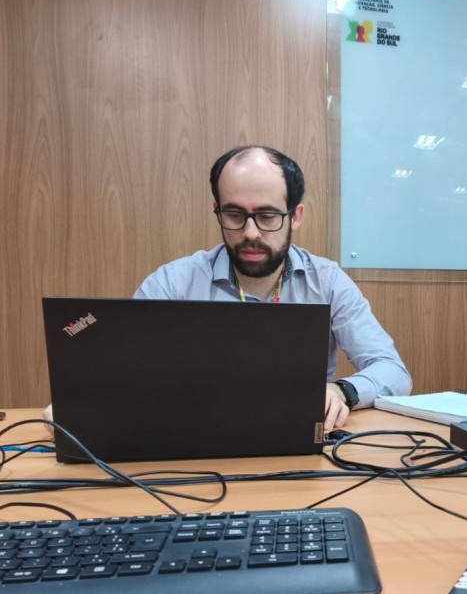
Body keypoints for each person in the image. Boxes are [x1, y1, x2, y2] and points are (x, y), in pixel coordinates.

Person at [61, 145, 411, 430]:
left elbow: (392, 370)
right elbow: (119, 372)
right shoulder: (172, 283)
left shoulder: (328, 281)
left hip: (301, 444)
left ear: (296, 216)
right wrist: (83, 405)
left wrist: (342, 391)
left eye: (268, 216)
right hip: (194, 444)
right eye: (234, 215)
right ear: (217, 210)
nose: (251, 233)